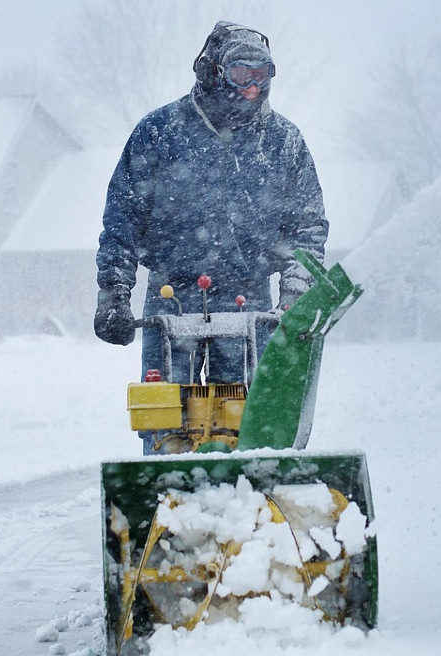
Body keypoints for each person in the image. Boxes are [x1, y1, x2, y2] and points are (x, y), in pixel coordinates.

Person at [94, 22, 328, 387]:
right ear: (213, 72)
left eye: (261, 75)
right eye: (240, 74)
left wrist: (295, 295)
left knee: (246, 421)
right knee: (166, 416)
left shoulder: (283, 142)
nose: (252, 88)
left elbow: (307, 228)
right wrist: (114, 291)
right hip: (171, 297)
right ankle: (165, 445)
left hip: (248, 300)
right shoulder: (160, 132)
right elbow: (123, 218)